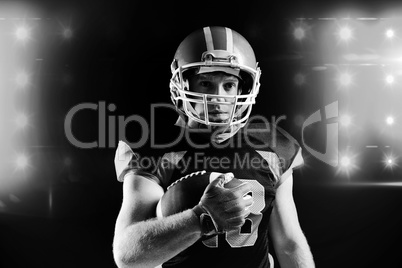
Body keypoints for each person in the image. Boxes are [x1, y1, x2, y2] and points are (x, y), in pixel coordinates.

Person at [113, 26, 315, 268]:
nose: (218, 97)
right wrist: (199, 218)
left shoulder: (272, 145)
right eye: (206, 83)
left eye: (229, 85)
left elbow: (289, 243)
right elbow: (127, 255)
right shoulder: (155, 147)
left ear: (244, 88)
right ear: (183, 83)